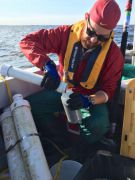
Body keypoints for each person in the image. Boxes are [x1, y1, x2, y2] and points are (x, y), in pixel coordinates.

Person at [20, 0, 124, 148]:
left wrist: (88, 100)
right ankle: (59, 140)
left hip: (90, 99)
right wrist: (47, 66)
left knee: (99, 124)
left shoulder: (114, 54)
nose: (94, 40)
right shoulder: (65, 34)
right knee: (31, 106)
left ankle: (81, 147)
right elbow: (28, 41)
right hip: (63, 91)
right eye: (91, 32)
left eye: (102, 38)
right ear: (86, 18)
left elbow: (108, 91)